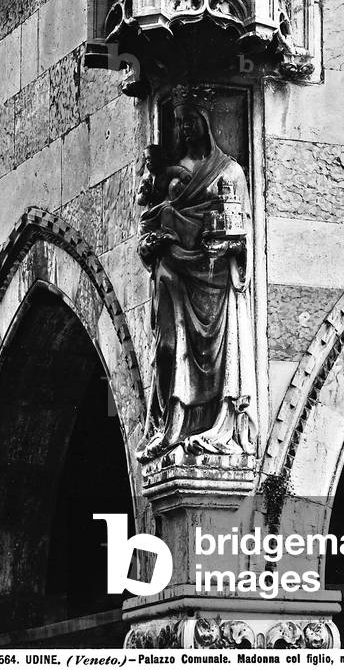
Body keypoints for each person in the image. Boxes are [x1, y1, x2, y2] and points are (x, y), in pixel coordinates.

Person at [136, 84, 256, 462]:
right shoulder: (167, 179)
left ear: (206, 123)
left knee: (212, 355)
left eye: (192, 121)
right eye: (180, 123)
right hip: (172, 274)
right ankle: (170, 427)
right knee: (168, 348)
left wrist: (225, 246)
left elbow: (244, 236)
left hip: (214, 280)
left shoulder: (229, 171)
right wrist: (151, 243)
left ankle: (219, 425)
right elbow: (146, 226)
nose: (186, 129)